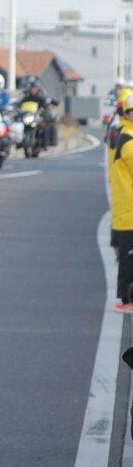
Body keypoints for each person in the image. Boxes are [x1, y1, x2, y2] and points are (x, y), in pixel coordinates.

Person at [108, 99, 133, 313]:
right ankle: (125, 299)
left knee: (127, 255)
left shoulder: (123, 134)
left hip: (125, 206)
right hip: (129, 208)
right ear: (126, 114)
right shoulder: (128, 140)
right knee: (129, 257)